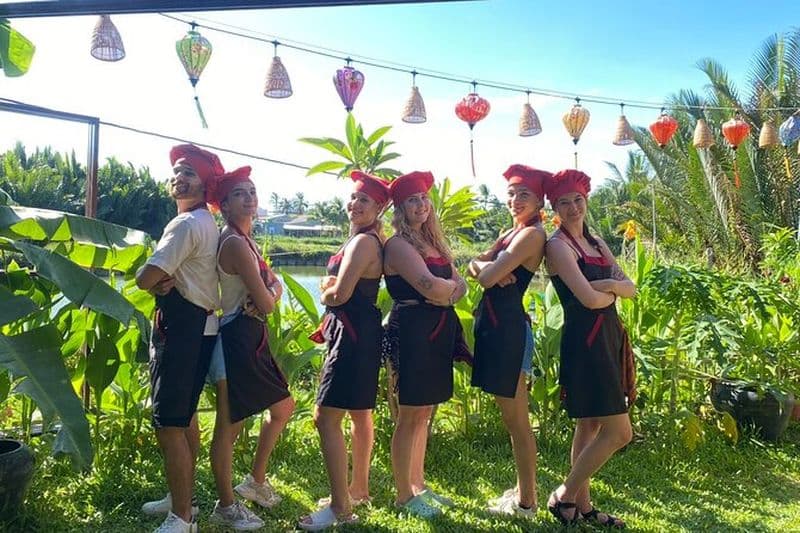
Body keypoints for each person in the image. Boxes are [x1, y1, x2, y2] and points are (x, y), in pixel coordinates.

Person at [136, 144, 224, 533]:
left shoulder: (186, 225)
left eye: (189, 172)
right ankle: (180, 499)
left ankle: (182, 517)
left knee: (169, 423)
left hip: (182, 332)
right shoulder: (206, 222)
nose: (179, 176)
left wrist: (152, 283)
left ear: (205, 184)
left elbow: (146, 277)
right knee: (184, 415)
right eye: (176, 170)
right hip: (200, 329)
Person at [543, 169, 637, 528]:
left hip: (609, 336)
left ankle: (582, 508)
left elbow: (630, 287)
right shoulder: (557, 246)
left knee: (589, 425)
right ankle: (564, 495)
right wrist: (614, 287)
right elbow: (587, 298)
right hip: (586, 341)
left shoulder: (597, 242)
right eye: (563, 202)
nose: (572, 208)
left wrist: (611, 285)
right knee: (619, 432)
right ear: (555, 207)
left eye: (577, 200)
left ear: (586, 200)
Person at [299, 171, 389, 531]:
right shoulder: (367, 240)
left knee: (326, 417)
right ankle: (358, 489)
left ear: (379, 207)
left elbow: (340, 295)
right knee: (360, 413)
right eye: (353, 198)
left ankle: (341, 507)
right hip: (360, 332)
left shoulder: (364, 243)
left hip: (351, 334)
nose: (354, 204)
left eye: (364, 200)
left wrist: (326, 289)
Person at [206, 166, 295, 530]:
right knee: (230, 424)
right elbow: (271, 299)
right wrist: (268, 294)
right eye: (240, 193)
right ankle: (226, 506)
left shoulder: (248, 242)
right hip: (235, 336)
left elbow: (275, 288)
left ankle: (254, 482)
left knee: (284, 406)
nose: (249, 197)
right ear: (224, 205)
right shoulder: (232, 242)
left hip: (251, 335)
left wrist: (268, 292)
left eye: (252, 192)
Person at [382, 171, 468, 519]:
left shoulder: (434, 244)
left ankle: (419, 486)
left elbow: (458, 287)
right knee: (409, 414)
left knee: (426, 413)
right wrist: (443, 292)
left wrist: (442, 294)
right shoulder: (398, 245)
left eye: (424, 198)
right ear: (401, 208)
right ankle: (404, 495)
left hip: (437, 329)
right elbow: (433, 288)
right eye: (413, 200)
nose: (421, 205)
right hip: (413, 331)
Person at [468, 164, 550, 518]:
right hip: (496, 326)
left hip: (510, 330)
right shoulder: (509, 233)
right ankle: (522, 490)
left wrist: (487, 272)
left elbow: (485, 276)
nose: (515, 200)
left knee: (517, 418)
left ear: (539, 200)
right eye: (512, 194)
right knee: (511, 417)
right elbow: (476, 266)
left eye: (524, 195)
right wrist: (484, 270)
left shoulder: (532, 236)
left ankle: (527, 501)